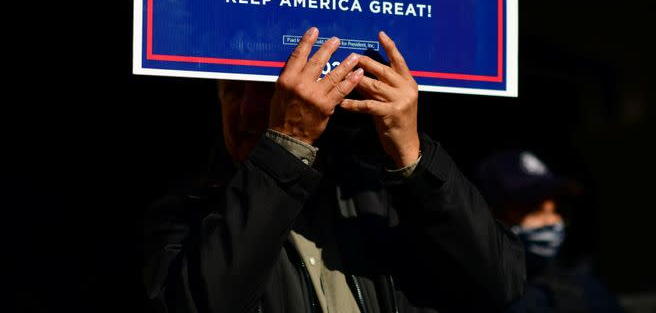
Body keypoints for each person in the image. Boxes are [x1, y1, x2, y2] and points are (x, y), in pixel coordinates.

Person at [143, 27, 526, 312]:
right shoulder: (187, 210)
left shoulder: (379, 197)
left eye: (269, 92)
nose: (244, 113)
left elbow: (499, 284)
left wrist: (413, 155)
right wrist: (286, 145)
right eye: (231, 93)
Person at [473, 148, 624, 312]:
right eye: (532, 208)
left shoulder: (588, 290)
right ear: (489, 215)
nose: (552, 221)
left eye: (556, 209)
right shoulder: (469, 298)